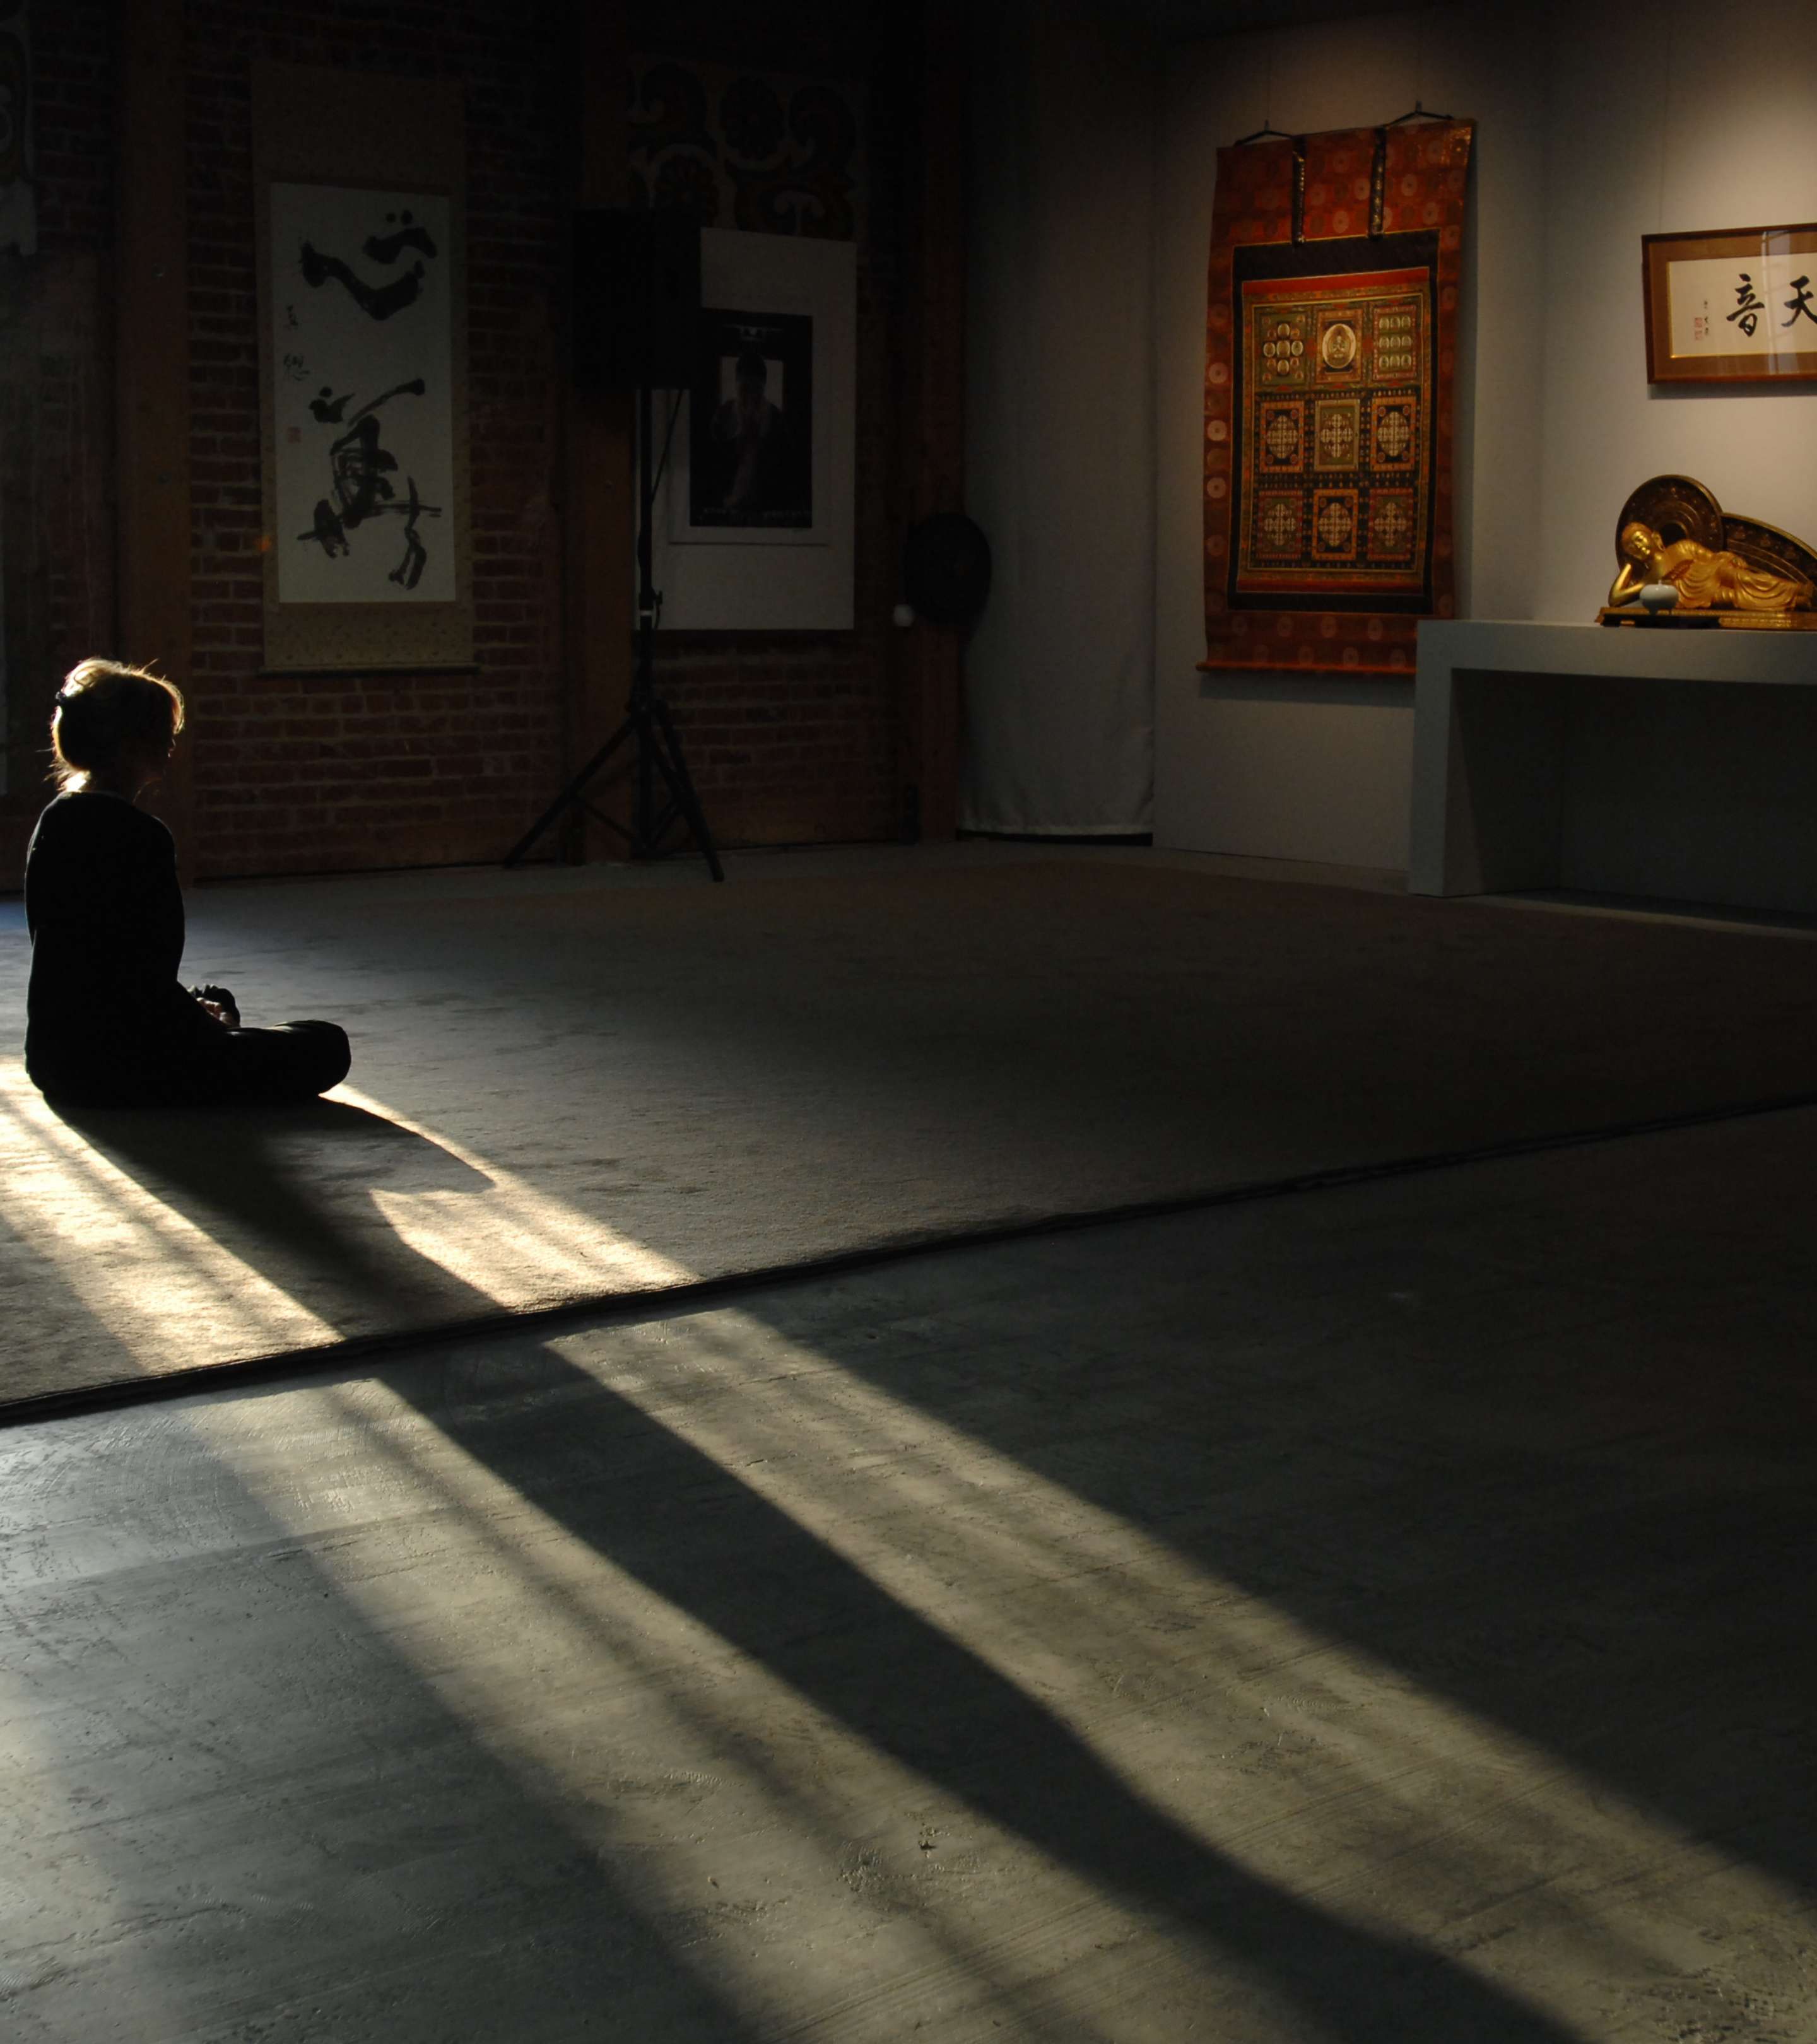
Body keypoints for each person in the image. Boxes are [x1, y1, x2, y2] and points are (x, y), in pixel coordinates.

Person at [23, 659, 351, 1110]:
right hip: (125, 1066)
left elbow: (91, 962)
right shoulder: (141, 836)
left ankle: (213, 1025)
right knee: (326, 1044)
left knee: (215, 996)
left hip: (54, 1060)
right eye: (164, 731)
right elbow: (147, 975)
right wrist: (199, 1023)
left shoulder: (53, 819)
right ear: (132, 744)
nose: (173, 743)